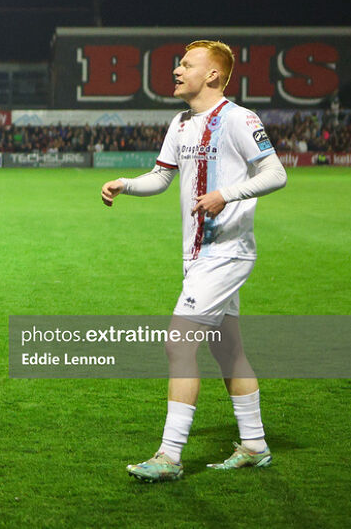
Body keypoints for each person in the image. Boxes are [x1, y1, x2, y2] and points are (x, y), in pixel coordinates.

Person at [101, 40, 287, 482]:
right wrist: (126, 183)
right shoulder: (181, 122)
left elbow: (276, 173)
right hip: (197, 254)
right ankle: (255, 444)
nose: (177, 70)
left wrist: (228, 193)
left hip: (227, 251)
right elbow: (163, 176)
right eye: (179, 63)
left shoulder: (240, 119)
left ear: (213, 76)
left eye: (187, 64)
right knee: (229, 351)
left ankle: (169, 456)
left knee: (178, 344)